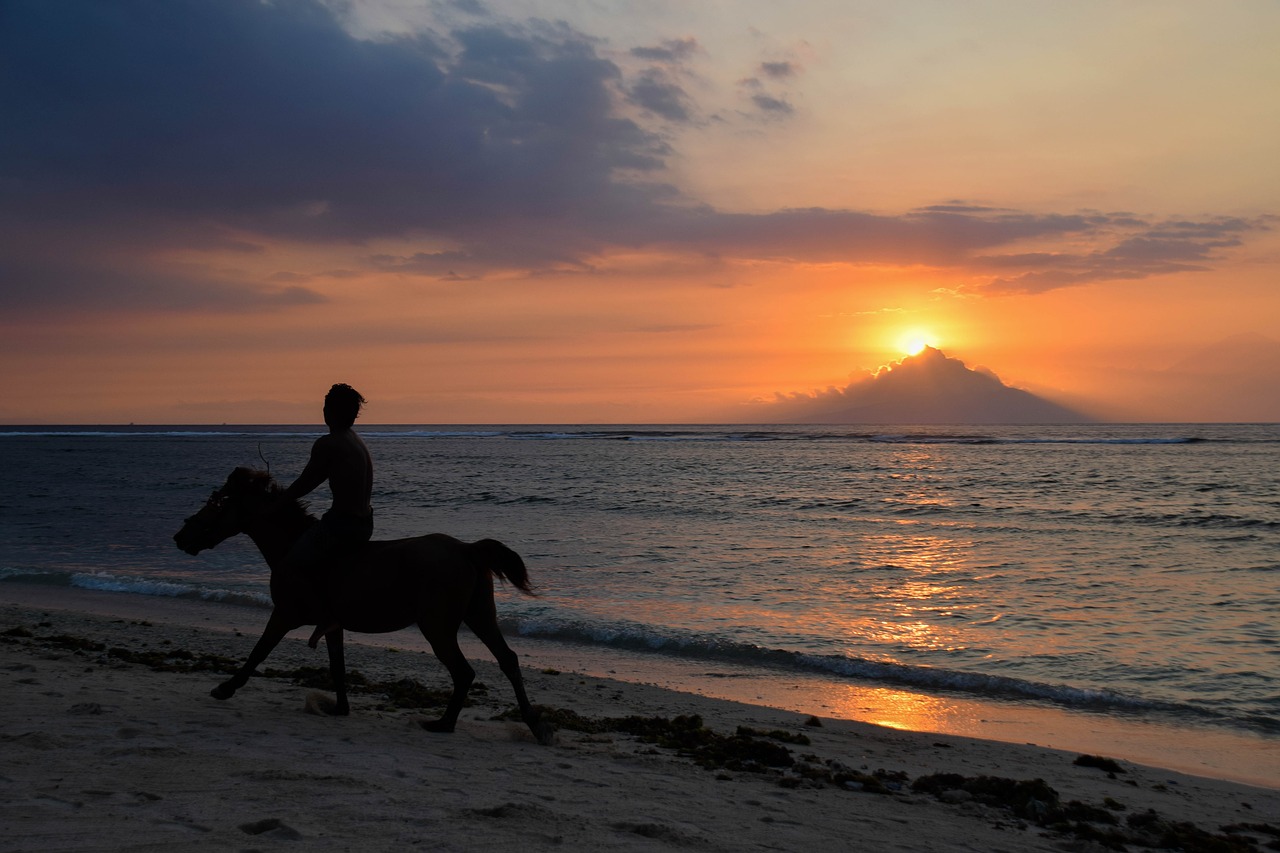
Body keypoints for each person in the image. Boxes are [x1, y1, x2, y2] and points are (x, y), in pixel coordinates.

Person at [279, 383, 373, 647]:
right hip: (365, 523)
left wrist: (277, 503)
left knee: (289, 566)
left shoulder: (329, 443)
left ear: (328, 411)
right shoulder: (355, 440)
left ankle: (325, 614)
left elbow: (306, 483)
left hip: (342, 525)